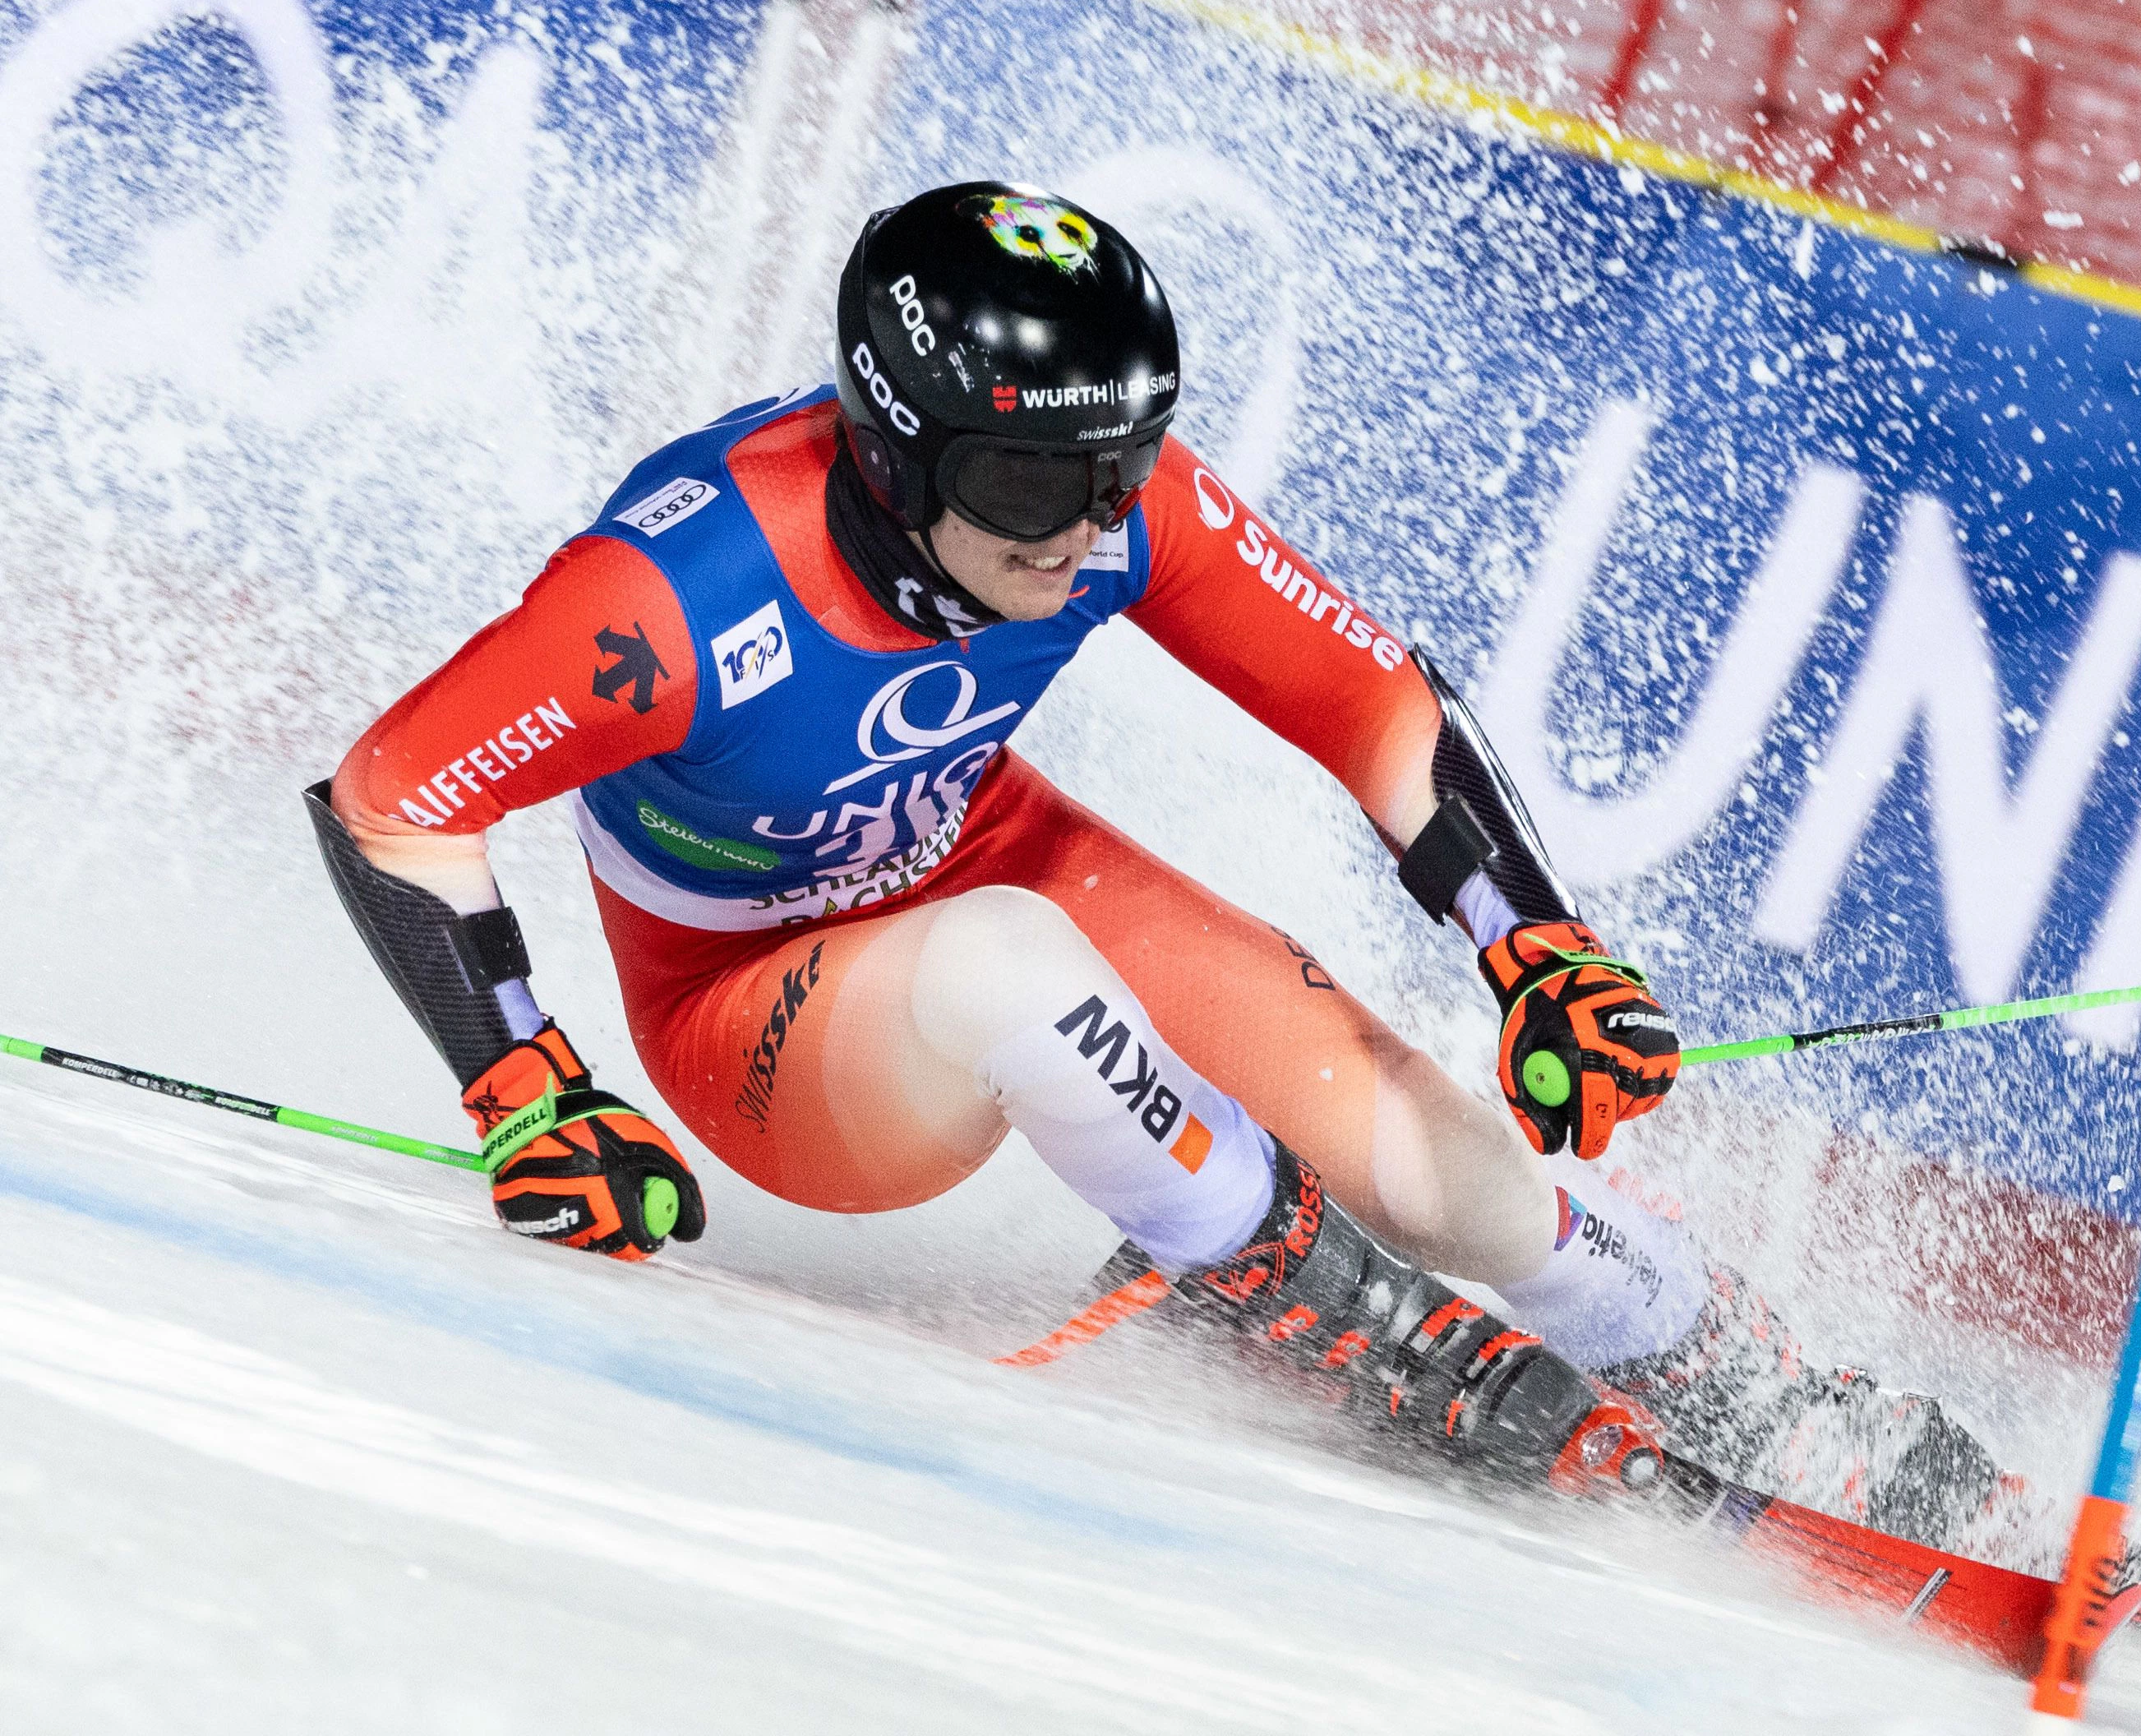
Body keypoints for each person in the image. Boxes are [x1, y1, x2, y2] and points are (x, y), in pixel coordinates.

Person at [310, 180, 2008, 1536]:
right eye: (1037, 476)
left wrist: (1530, 945)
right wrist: (528, 1088)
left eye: (1122, 459)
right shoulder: (668, 599)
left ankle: (1733, 1368)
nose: (1095, 521)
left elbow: (1371, 702)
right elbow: (393, 799)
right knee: (1001, 967)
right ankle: (1301, 1293)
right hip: (762, 1012)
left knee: (1454, 1172)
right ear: (894, 457)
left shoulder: (1107, 518)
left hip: (999, 862)